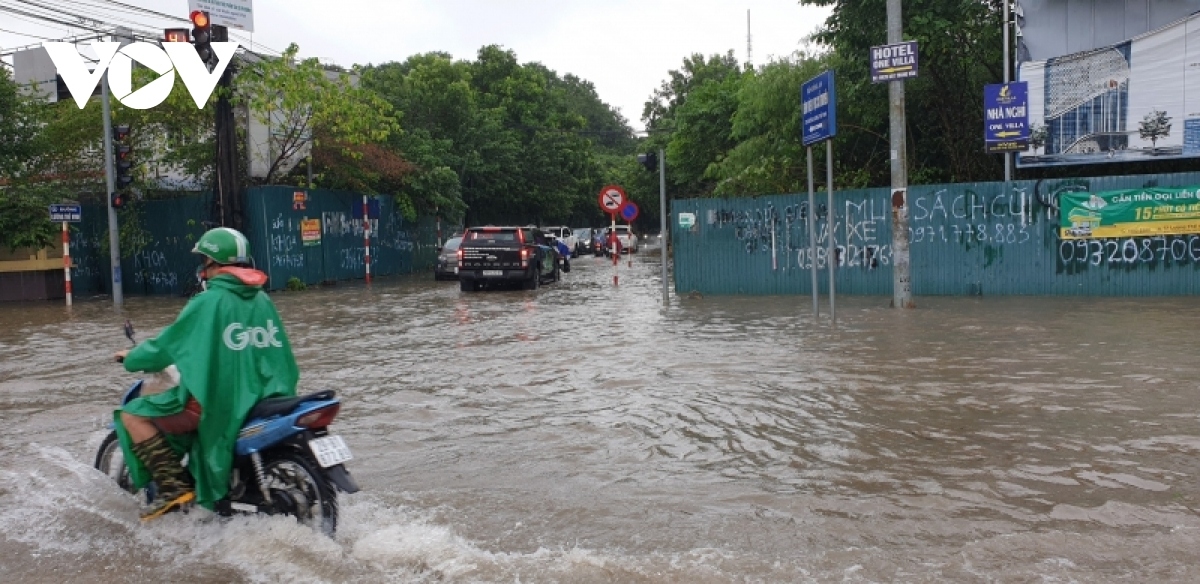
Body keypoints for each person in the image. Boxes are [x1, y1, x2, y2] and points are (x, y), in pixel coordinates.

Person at [113, 227, 299, 521]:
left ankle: (173, 487)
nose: (203, 270)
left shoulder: (208, 302)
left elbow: (167, 345)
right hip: (266, 396)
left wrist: (132, 358)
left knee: (132, 414)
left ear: (215, 263)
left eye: (205, 263)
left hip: (220, 402)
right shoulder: (262, 299)